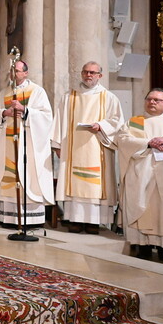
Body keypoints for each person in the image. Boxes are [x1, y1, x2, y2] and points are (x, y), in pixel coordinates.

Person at [115, 89, 163, 261]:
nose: (152, 102)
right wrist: (147, 143)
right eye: (149, 99)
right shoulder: (134, 122)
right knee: (142, 207)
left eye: (157, 100)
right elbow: (122, 139)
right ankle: (143, 246)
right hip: (140, 174)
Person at [51, 61, 123, 234]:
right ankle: (75, 220)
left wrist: (101, 125)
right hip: (73, 149)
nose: (88, 75)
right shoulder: (69, 97)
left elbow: (117, 121)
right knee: (74, 184)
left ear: (100, 76)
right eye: (85, 72)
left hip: (98, 148)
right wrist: (57, 145)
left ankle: (94, 222)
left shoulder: (109, 97)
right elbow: (59, 120)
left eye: (92, 72)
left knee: (96, 185)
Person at [0, 60, 55, 228]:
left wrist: (25, 110)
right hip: (7, 144)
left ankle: (29, 220)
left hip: (27, 144)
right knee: (8, 176)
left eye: (17, 71)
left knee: (27, 176)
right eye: (12, 70)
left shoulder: (37, 91)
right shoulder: (4, 93)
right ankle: (9, 218)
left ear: (25, 73)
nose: (14, 74)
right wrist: (5, 113)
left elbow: (47, 117)